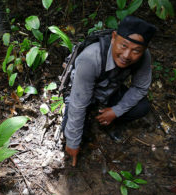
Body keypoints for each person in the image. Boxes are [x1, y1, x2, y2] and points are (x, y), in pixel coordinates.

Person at [62, 16, 157, 167]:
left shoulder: (144, 57)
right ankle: (91, 119)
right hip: (82, 94)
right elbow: (78, 104)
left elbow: (140, 87)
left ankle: (108, 120)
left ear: (144, 50)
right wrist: (73, 142)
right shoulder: (90, 59)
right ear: (114, 37)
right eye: (123, 46)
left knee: (142, 107)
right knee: (71, 136)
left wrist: (116, 111)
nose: (126, 55)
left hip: (109, 91)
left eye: (136, 51)